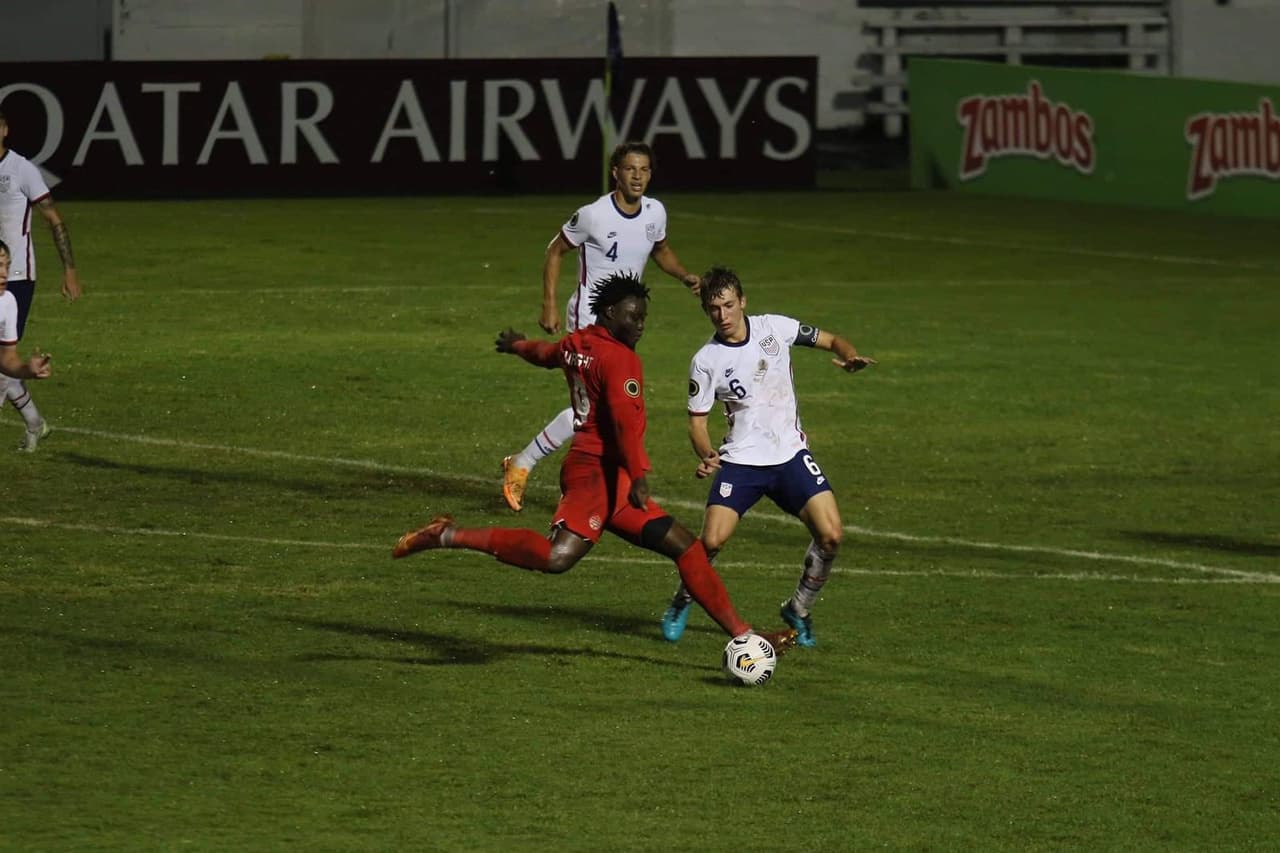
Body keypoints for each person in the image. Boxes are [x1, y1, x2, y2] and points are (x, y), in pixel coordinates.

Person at [394, 271, 795, 652]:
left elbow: (545, 354)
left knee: (687, 548)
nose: (640, 325)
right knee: (556, 557)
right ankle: (447, 534)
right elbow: (621, 425)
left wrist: (517, 346)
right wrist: (638, 476)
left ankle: (745, 637)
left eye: (644, 317)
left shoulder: (579, 343)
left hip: (607, 476)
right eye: (633, 317)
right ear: (609, 313)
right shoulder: (620, 360)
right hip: (597, 475)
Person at [660, 266, 877, 648]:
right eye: (714, 309)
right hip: (741, 462)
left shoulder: (774, 328)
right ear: (706, 310)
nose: (723, 315)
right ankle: (683, 599)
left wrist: (849, 355)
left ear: (743, 301)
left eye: (729, 305)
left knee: (831, 536)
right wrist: (707, 453)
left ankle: (798, 609)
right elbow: (697, 423)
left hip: (790, 455)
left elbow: (831, 340)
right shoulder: (706, 360)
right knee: (711, 542)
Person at [501, 141, 700, 512]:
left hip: (625, 325)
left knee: (606, 407)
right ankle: (523, 464)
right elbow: (555, 250)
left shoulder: (655, 212)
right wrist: (549, 304)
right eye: (630, 169)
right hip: (589, 322)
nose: (637, 176)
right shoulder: (593, 215)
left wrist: (683, 274)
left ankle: (595, 481)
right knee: (588, 411)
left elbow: (660, 249)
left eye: (644, 169)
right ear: (615, 173)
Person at [0, 109, 81, 451]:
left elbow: (53, 218)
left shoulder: (22, 169)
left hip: (15, 277)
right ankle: (35, 423)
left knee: (4, 358)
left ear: (5, 129)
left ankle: (34, 424)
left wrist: (69, 269)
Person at [0, 241, 53, 383]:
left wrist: (27, 370)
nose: (4, 273)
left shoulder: (7, 302)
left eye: (7, 266)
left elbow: (6, 358)